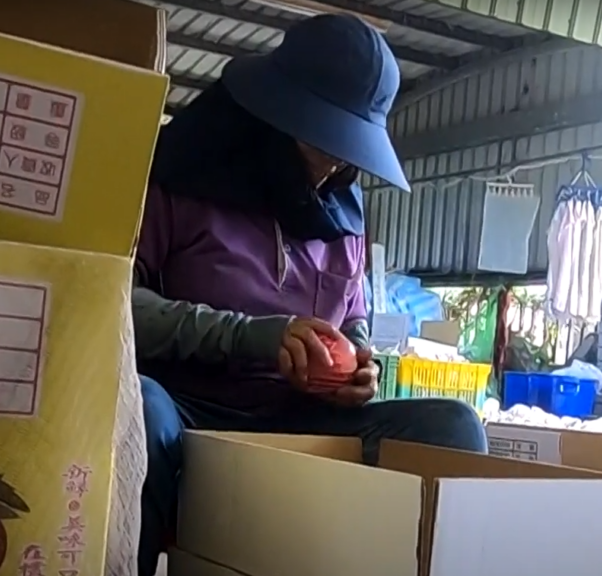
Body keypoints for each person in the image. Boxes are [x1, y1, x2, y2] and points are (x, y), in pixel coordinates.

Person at [133, 14, 487, 576]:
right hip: (187, 412)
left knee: (452, 429)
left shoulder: (343, 207)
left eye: (348, 150)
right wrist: (253, 338)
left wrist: (356, 366)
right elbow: (119, 307)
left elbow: (354, 318)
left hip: (295, 420)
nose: (335, 165)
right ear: (273, 115)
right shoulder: (178, 175)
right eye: (321, 143)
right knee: (139, 406)